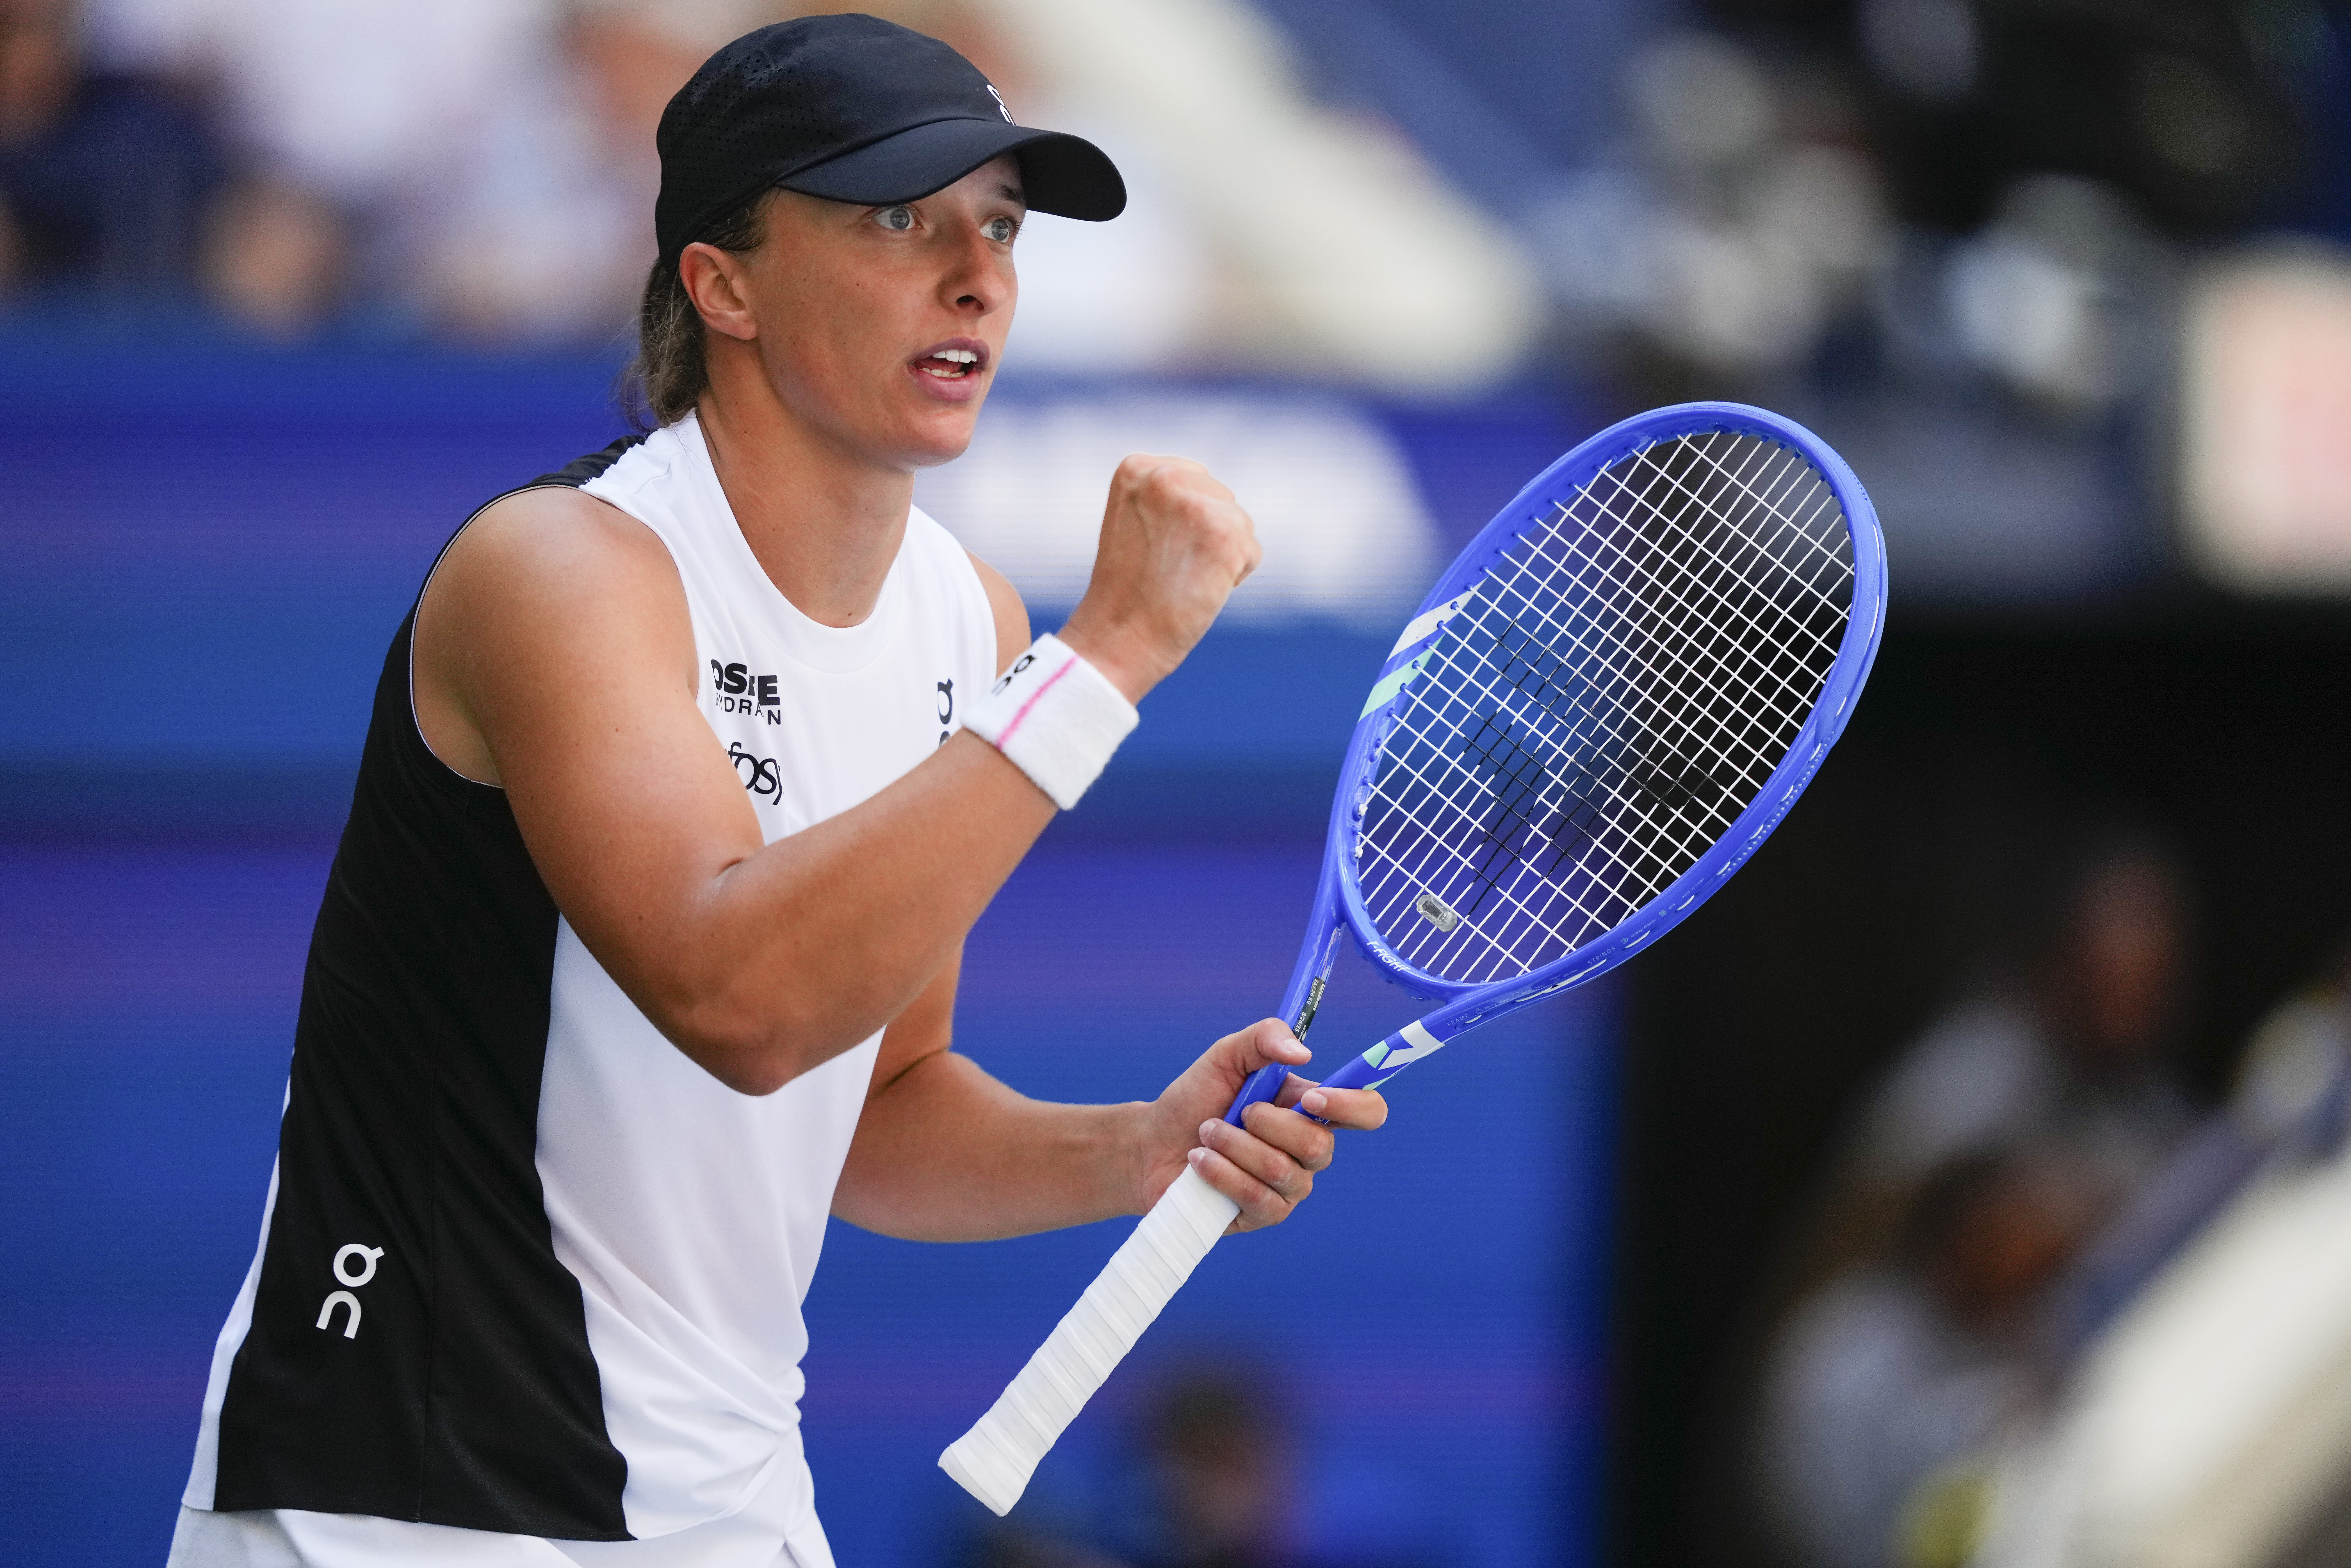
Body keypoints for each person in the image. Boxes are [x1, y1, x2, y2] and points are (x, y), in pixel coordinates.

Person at [165, 17, 1387, 1567]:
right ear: (720, 282)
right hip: (399, 1490)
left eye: (999, 225)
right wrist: (1114, 657)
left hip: (724, 1500)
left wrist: (1137, 1148)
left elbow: (870, 1096)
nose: (978, 274)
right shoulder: (561, 572)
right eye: (899, 218)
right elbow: (740, 997)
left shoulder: (975, 622)